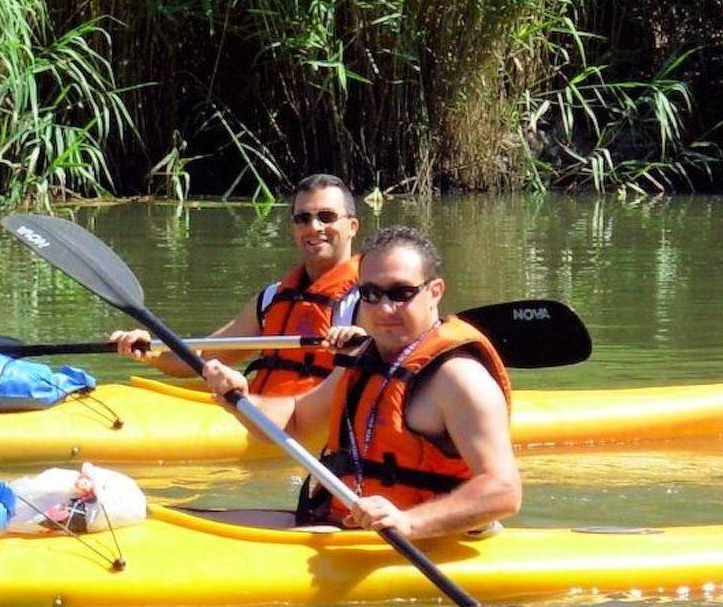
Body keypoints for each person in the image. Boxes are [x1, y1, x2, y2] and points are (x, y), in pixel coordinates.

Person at [202, 225, 521, 541]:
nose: (384, 308)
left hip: (423, 539)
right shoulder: (365, 358)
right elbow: (296, 422)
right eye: (371, 294)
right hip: (345, 524)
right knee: (190, 523)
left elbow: (503, 491)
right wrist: (239, 398)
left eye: (401, 293)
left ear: (435, 291)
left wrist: (409, 523)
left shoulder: (458, 378)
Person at [110, 173, 363, 393]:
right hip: (264, 414)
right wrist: (150, 351)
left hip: (313, 422)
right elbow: (200, 357)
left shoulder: (370, 300)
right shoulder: (271, 299)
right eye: (302, 219)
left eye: (326, 217)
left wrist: (363, 343)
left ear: (352, 226)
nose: (314, 227)